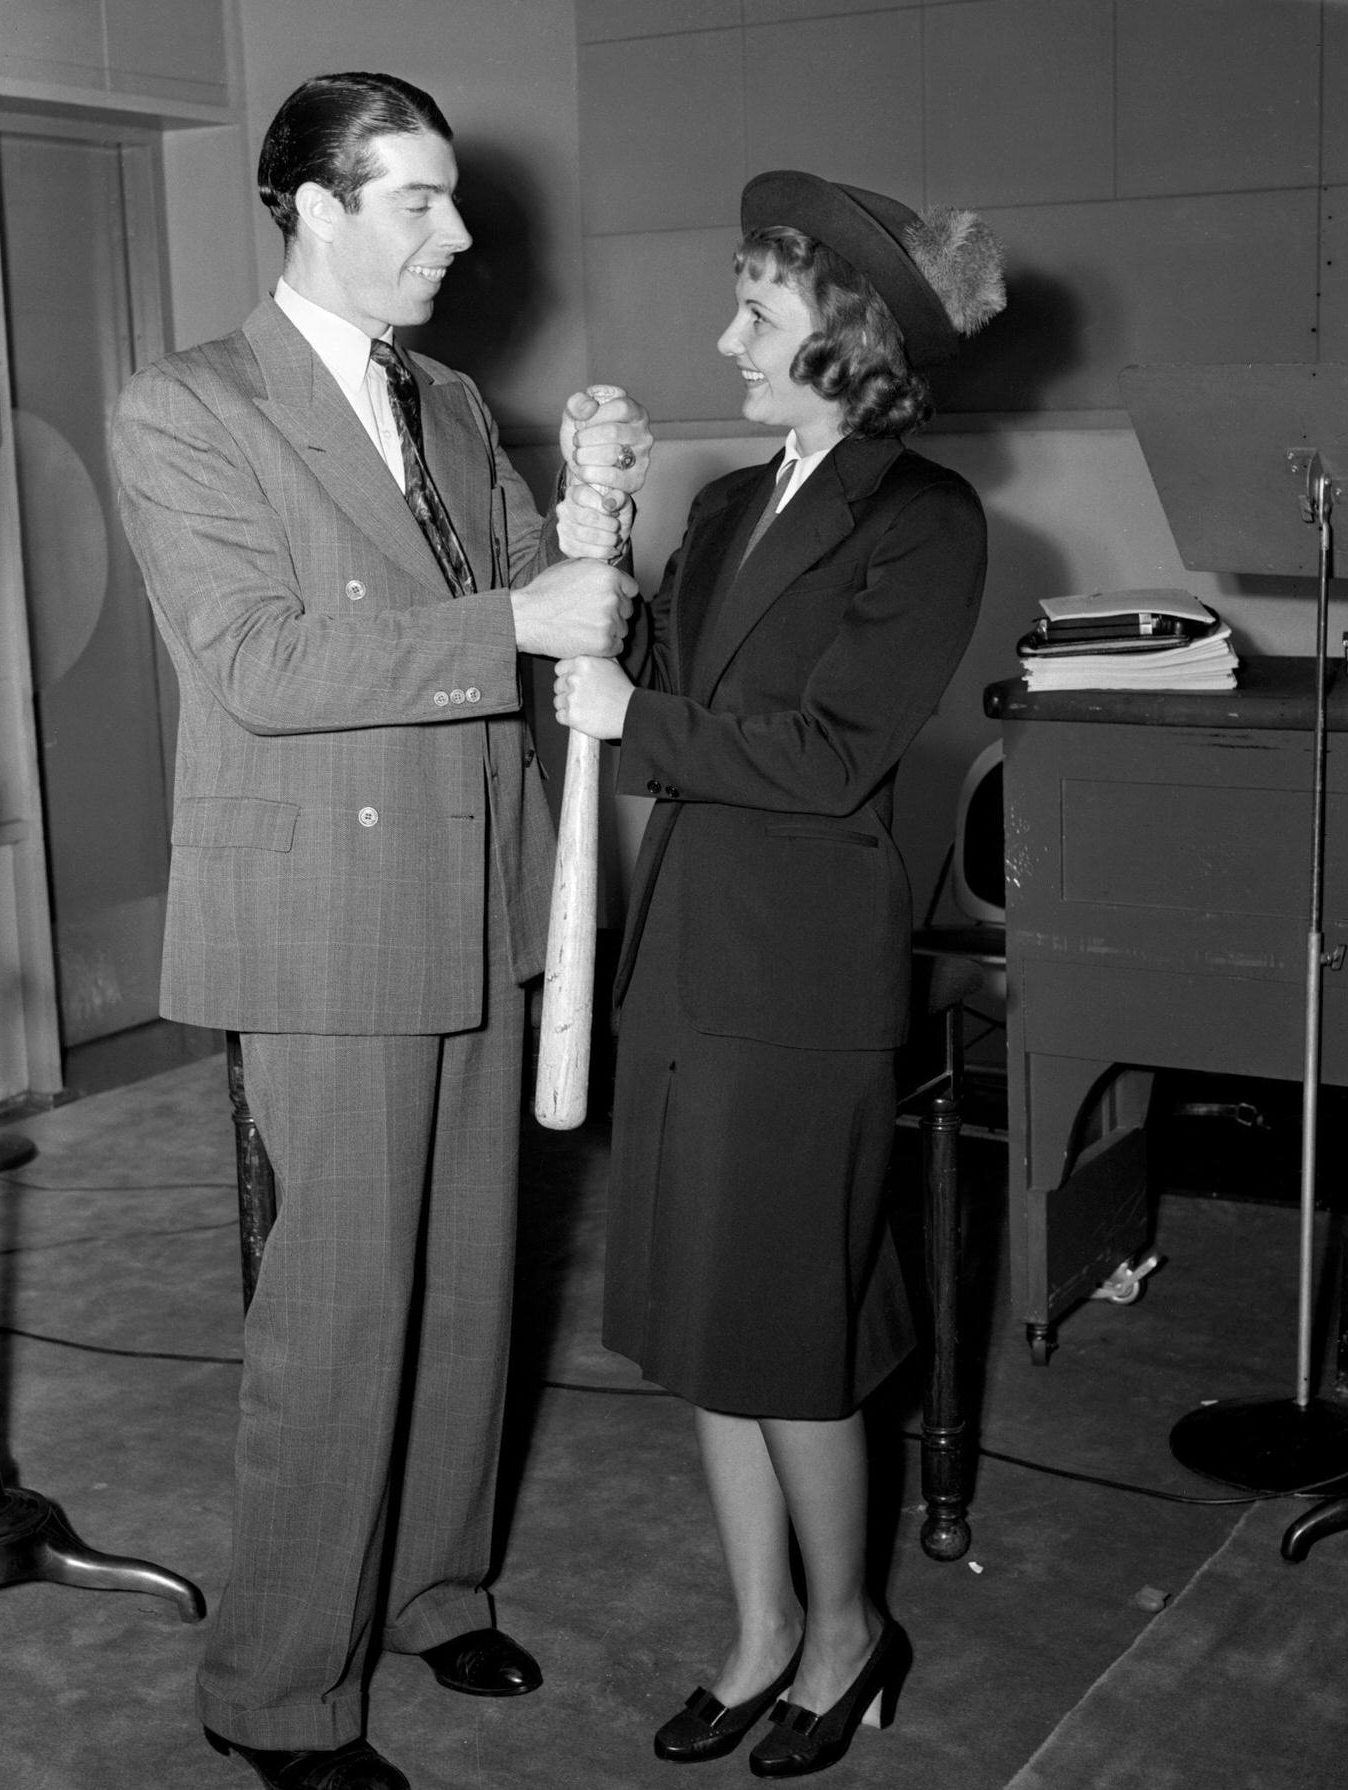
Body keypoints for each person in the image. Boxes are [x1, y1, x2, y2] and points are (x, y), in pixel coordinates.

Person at [111, 71, 651, 1790]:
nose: (460, 231)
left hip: (479, 888)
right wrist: (519, 612)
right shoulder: (190, 406)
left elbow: (544, 608)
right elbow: (262, 664)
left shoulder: (454, 398)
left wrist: (595, 506)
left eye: (454, 197)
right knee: (337, 1312)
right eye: (416, 199)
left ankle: (431, 1585)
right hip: (326, 913)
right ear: (315, 206)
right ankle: (275, 1686)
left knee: (469, 1293)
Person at [554, 170, 1004, 1779]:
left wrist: (634, 721)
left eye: (757, 308)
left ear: (847, 334)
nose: (723, 334)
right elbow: (649, 672)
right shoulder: (738, 504)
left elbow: (827, 755)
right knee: (702, 1328)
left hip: (803, 982)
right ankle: (755, 1630)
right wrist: (601, 516)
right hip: (685, 956)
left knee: (792, 1338)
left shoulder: (926, 518)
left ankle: (846, 1629)